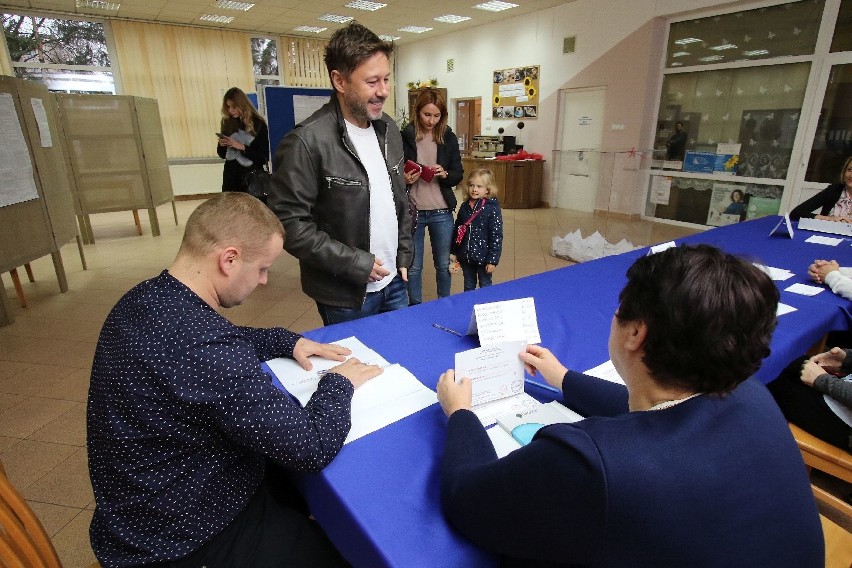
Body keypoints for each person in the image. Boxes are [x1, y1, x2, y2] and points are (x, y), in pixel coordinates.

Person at [435, 244, 823, 567]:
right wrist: (563, 377)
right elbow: (645, 411)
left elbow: (466, 498)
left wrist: (461, 414)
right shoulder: (750, 394)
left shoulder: (587, 463)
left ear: (636, 333)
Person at [87, 192, 382, 567]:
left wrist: (285, 340)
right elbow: (310, 448)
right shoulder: (207, 348)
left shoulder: (144, 299)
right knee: (347, 552)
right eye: (262, 268)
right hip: (186, 537)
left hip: (139, 513)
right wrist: (339, 383)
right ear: (229, 260)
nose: (262, 281)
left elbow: (218, 340)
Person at [267, 22, 413, 326]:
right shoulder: (306, 142)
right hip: (346, 296)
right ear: (340, 81)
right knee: (358, 370)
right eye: (372, 82)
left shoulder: (389, 130)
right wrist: (356, 263)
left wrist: (404, 254)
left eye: (386, 79)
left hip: (395, 283)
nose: (384, 91)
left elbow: (400, 200)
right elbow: (290, 226)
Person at [401, 88, 464, 305]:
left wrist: (445, 174)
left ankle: (444, 304)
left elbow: (458, 173)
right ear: (417, 112)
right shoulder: (406, 135)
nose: (431, 120)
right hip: (414, 210)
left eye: (436, 116)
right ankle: (416, 306)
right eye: (427, 114)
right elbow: (394, 171)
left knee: (443, 263)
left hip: (441, 210)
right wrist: (405, 179)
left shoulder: (448, 136)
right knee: (414, 265)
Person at [768, 347, 852, 452]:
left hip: (845, 425)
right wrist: (847, 359)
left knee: (769, 379)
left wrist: (821, 380)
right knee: (779, 356)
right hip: (841, 389)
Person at [451, 169, 503, 291]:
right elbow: (458, 229)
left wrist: (492, 260)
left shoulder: (492, 209)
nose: (474, 189)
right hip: (466, 256)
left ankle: (485, 307)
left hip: (484, 258)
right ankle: (469, 307)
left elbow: (496, 236)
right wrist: (454, 251)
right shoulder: (464, 206)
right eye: (471, 185)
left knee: (485, 285)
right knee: (469, 284)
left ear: (487, 189)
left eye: (479, 186)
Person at [216, 87, 270, 195]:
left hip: (251, 179)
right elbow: (222, 155)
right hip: (230, 178)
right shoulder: (227, 122)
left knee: (250, 211)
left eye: (234, 107)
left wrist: (242, 147)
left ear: (242, 105)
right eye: (228, 107)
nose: (231, 110)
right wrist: (221, 145)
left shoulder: (258, 124)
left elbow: (263, 158)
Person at [790, 155, 852, 221]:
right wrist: (828, 218)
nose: (851, 175)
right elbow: (796, 213)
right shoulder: (834, 190)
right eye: (850, 170)